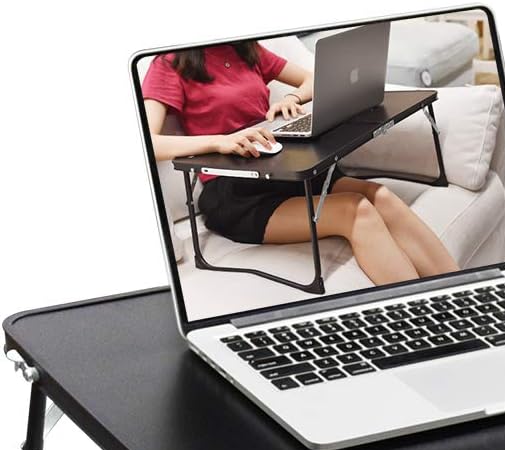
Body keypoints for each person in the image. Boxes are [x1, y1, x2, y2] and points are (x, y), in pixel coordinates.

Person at [142, 41, 459, 287]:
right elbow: (148, 141)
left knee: (381, 196)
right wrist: (219, 141)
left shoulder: (246, 50)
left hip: (282, 170)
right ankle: (424, 320)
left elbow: (314, 80)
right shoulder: (169, 63)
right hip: (234, 192)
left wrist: (292, 99)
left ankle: (461, 294)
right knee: (356, 211)